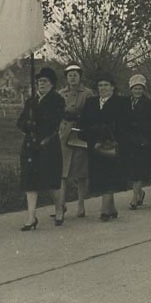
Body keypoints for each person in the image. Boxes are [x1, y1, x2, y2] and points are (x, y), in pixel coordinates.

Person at [16, 67, 66, 231]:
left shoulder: (57, 100)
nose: (41, 84)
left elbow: (53, 122)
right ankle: (31, 217)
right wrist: (28, 125)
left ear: (52, 84)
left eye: (45, 81)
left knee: (52, 181)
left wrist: (36, 121)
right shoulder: (31, 101)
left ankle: (59, 210)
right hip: (30, 146)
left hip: (48, 145)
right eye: (39, 82)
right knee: (29, 182)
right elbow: (20, 122)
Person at [79, 73, 128, 221]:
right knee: (100, 177)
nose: (103, 88)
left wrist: (108, 139)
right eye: (100, 85)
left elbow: (123, 125)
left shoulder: (121, 102)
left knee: (109, 176)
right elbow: (83, 124)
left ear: (112, 87)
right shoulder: (91, 103)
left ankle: (105, 210)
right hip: (94, 146)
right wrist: (92, 138)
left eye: (106, 85)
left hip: (112, 145)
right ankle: (111, 208)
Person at [58, 64, 94, 218]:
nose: (72, 78)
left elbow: (91, 112)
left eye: (75, 75)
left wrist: (81, 120)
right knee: (62, 171)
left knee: (81, 171)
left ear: (80, 77)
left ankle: (81, 203)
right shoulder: (61, 94)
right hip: (64, 134)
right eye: (70, 75)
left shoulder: (87, 93)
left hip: (79, 133)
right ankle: (61, 204)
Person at [123, 74, 151, 211]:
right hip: (128, 141)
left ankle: (134, 198)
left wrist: (139, 127)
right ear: (131, 89)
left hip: (143, 141)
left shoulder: (149, 104)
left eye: (140, 89)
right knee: (131, 170)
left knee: (139, 169)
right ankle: (140, 192)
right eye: (135, 89)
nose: (138, 91)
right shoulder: (125, 103)